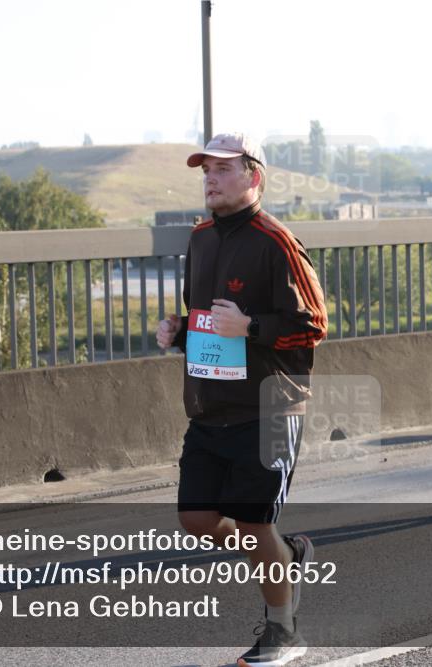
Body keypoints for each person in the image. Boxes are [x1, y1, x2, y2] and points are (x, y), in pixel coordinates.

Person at [156, 133, 328, 666]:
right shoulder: (201, 237)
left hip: (270, 405)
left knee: (254, 525)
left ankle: (283, 632)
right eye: (205, 169)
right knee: (197, 517)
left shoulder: (276, 241)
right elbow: (208, 318)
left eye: (222, 169)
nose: (209, 177)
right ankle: (287, 555)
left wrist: (251, 325)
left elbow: (314, 325)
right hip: (211, 406)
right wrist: (180, 330)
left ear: (253, 176)